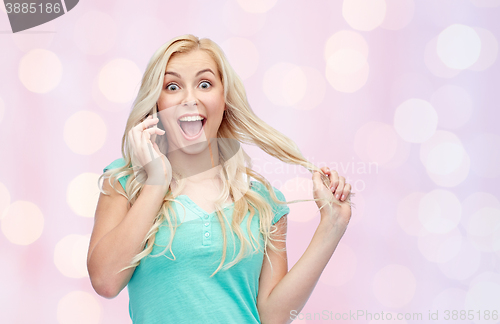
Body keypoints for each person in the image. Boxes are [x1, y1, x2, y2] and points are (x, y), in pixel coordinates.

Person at [87, 34, 354, 324]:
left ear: (224, 99)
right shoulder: (126, 184)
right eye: (173, 86)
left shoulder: (263, 200)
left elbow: (272, 317)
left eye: (204, 84)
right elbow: (105, 281)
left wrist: (332, 225)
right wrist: (156, 181)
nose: (190, 99)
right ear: (156, 104)